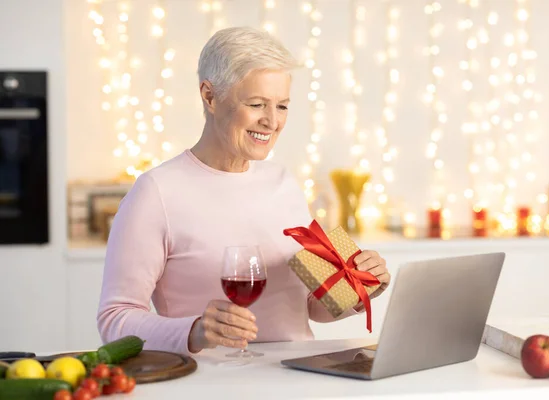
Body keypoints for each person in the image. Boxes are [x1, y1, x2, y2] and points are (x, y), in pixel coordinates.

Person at [97, 26, 391, 356]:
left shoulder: (284, 183)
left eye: (282, 106)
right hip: (210, 381)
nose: (272, 121)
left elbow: (311, 306)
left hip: (301, 375)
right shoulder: (156, 193)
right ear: (209, 96)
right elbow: (115, 319)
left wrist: (362, 285)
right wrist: (195, 330)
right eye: (256, 104)